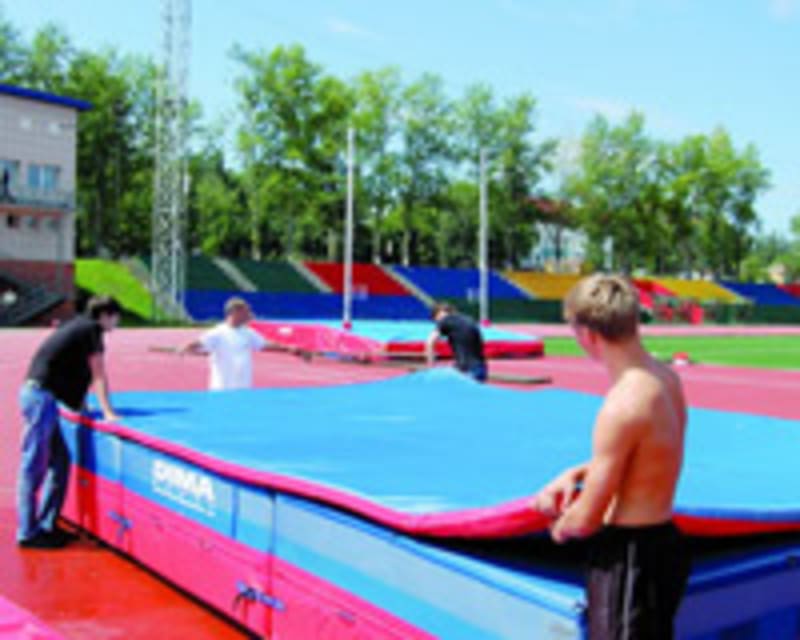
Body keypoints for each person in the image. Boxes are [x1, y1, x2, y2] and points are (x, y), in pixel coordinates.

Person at [532, 274, 690, 639]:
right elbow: (649, 451)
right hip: (665, 544)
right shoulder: (666, 379)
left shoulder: (621, 405)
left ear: (588, 334)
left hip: (629, 558)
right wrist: (576, 472)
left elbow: (587, 519)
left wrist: (554, 524)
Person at [17, 295, 122, 549]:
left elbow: (71, 369)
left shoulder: (78, 327)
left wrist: (82, 405)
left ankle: (47, 524)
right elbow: (98, 374)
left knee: (60, 462)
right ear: (105, 315)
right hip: (40, 398)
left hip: (42, 397)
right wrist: (108, 412)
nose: (117, 323)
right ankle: (28, 532)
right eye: (115, 317)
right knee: (34, 466)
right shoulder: (91, 330)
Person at [179, 297, 272, 390]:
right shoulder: (218, 332)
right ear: (235, 312)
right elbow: (200, 343)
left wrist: (282, 347)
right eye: (245, 312)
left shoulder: (248, 332)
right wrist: (186, 347)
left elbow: (264, 344)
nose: (249, 315)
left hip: (243, 388)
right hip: (222, 388)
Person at [425, 302, 487, 382]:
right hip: (481, 368)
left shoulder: (445, 320)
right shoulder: (468, 319)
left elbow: (430, 342)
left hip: (466, 370)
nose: (436, 323)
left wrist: (431, 366)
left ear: (438, 315)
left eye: (435, 320)